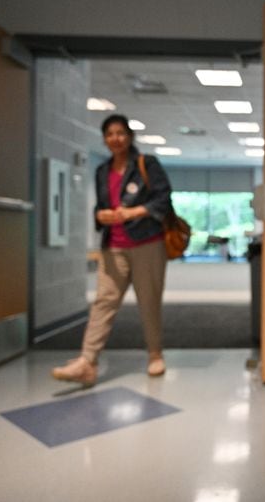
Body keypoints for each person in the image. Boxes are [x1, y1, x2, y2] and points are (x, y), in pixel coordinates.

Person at [52, 114, 172, 386]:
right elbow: (101, 207)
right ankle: (87, 362)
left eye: (120, 133)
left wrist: (131, 213)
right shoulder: (102, 171)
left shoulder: (146, 164)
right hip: (113, 245)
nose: (115, 138)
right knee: (103, 302)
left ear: (129, 136)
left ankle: (155, 354)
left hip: (147, 244)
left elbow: (162, 199)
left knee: (148, 302)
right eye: (109, 134)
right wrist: (101, 216)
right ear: (105, 139)